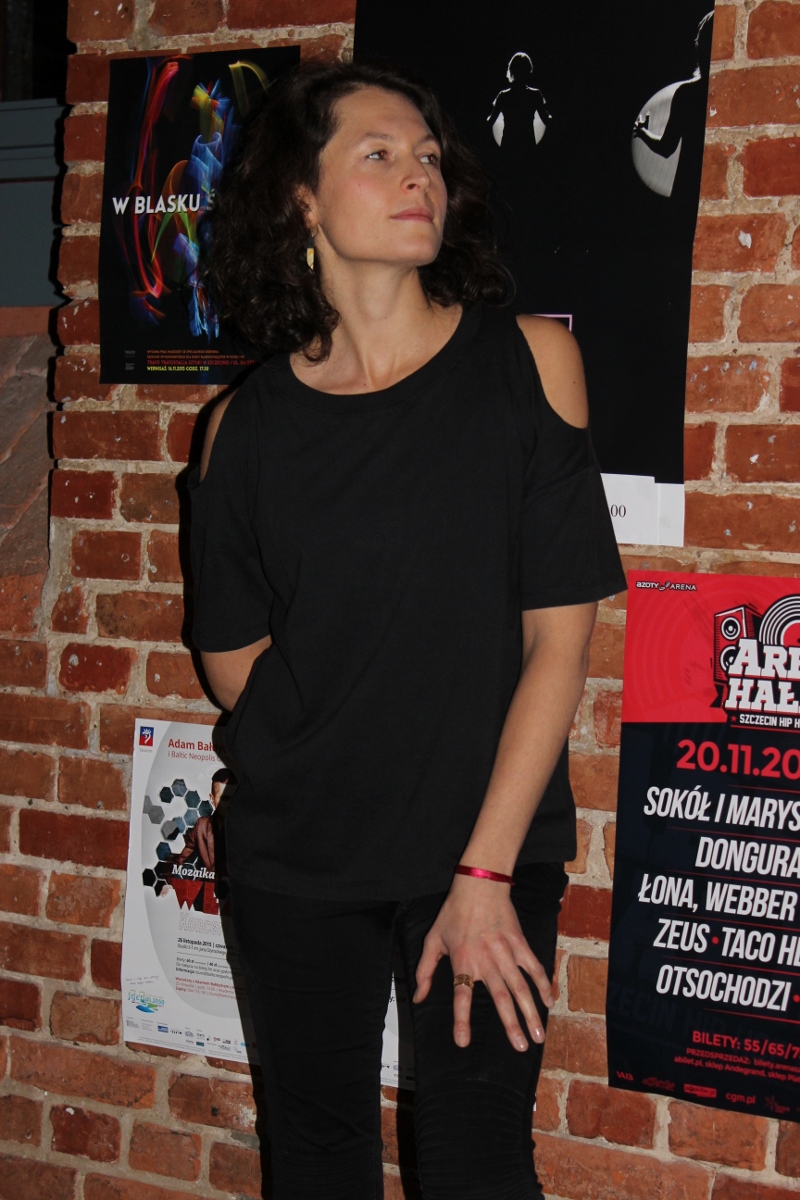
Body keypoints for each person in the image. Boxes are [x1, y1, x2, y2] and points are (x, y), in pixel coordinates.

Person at [190, 60, 625, 1200]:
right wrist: (322, 740)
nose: (417, 174)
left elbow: (558, 644)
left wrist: (482, 870)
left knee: (478, 1167)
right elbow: (230, 660)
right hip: (297, 859)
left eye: (428, 156)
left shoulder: (528, 364)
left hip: (480, 850)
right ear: (301, 199)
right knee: (317, 1164)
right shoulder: (242, 427)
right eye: (377, 154)